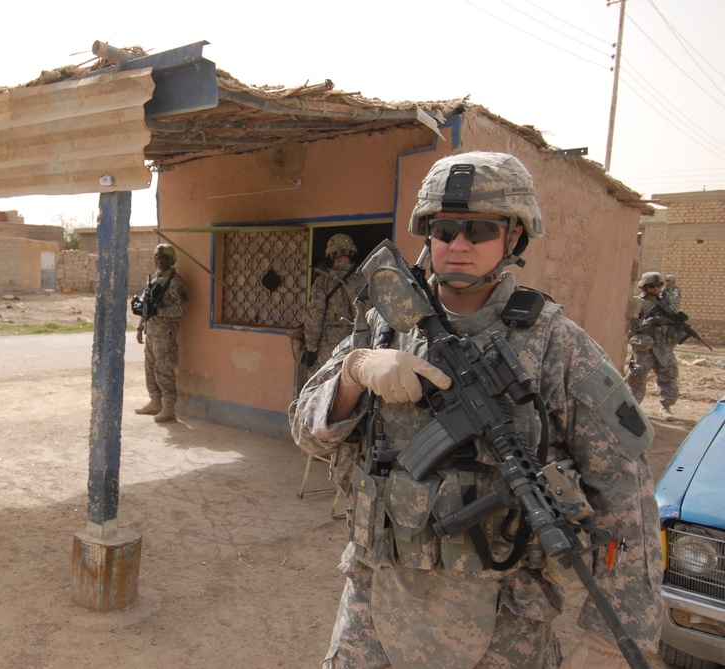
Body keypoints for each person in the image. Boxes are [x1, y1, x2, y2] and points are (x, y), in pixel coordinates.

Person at [290, 152, 661, 668]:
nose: (459, 243)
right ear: (428, 236)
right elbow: (305, 432)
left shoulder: (557, 346)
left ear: (514, 237)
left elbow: (628, 497)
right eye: (445, 229)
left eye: (479, 229)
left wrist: (611, 640)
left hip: (506, 623)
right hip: (375, 610)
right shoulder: (379, 328)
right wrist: (353, 374)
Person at [134, 243, 189, 423]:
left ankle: (168, 407)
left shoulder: (175, 281)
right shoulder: (156, 278)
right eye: (158, 258)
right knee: (150, 367)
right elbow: (147, 306)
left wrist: (160, 312)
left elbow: (181, 308)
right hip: (152, 330)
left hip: (165, 332)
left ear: (171, 260)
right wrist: (141, 327)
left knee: (163, 368)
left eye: (164, 258)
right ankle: (155, 401)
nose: (160, 261)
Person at [301, 234, 369, 376]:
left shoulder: (323, 281)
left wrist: (311, 349)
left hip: (329, 348)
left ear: (331, 255)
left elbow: (315, 318)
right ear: (351, 253)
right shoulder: (363, 280)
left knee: (322, 391)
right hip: (357, 345)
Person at [625, 271, 679, 421]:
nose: (656, 288)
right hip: (645, 348)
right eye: (652, 286)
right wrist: (652, 320)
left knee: (669, 377)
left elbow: (673, 321)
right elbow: (632, 326)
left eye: (659, 285)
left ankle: (666, 407)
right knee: (637, 379)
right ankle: (633, 409)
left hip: (663, 347)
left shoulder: (666, 303)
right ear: (644, 286)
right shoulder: (638, 303)